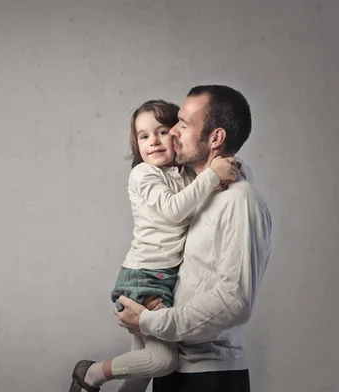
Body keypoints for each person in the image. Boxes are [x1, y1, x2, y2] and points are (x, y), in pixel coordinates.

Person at [68, 99, 240, 392]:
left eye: (162, 132)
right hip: (145, 276)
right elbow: (174, 210)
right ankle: (92, 374)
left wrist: (229, 168)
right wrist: (213, 175)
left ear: (177, 134)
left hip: (165, 275)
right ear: (136, 144)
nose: (154, 141)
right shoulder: (143, 174)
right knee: (162, 362)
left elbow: (213, 181)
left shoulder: (184, 173)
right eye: (144, 136)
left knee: (141, 369)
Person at [115, 85, 272, 392]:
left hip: (208, 375)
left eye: (182, 124)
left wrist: (150, 322)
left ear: (215, 138)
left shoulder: (241, 200)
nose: (172, 132)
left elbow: (235, 301)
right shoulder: (196, 190)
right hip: (174, 364)